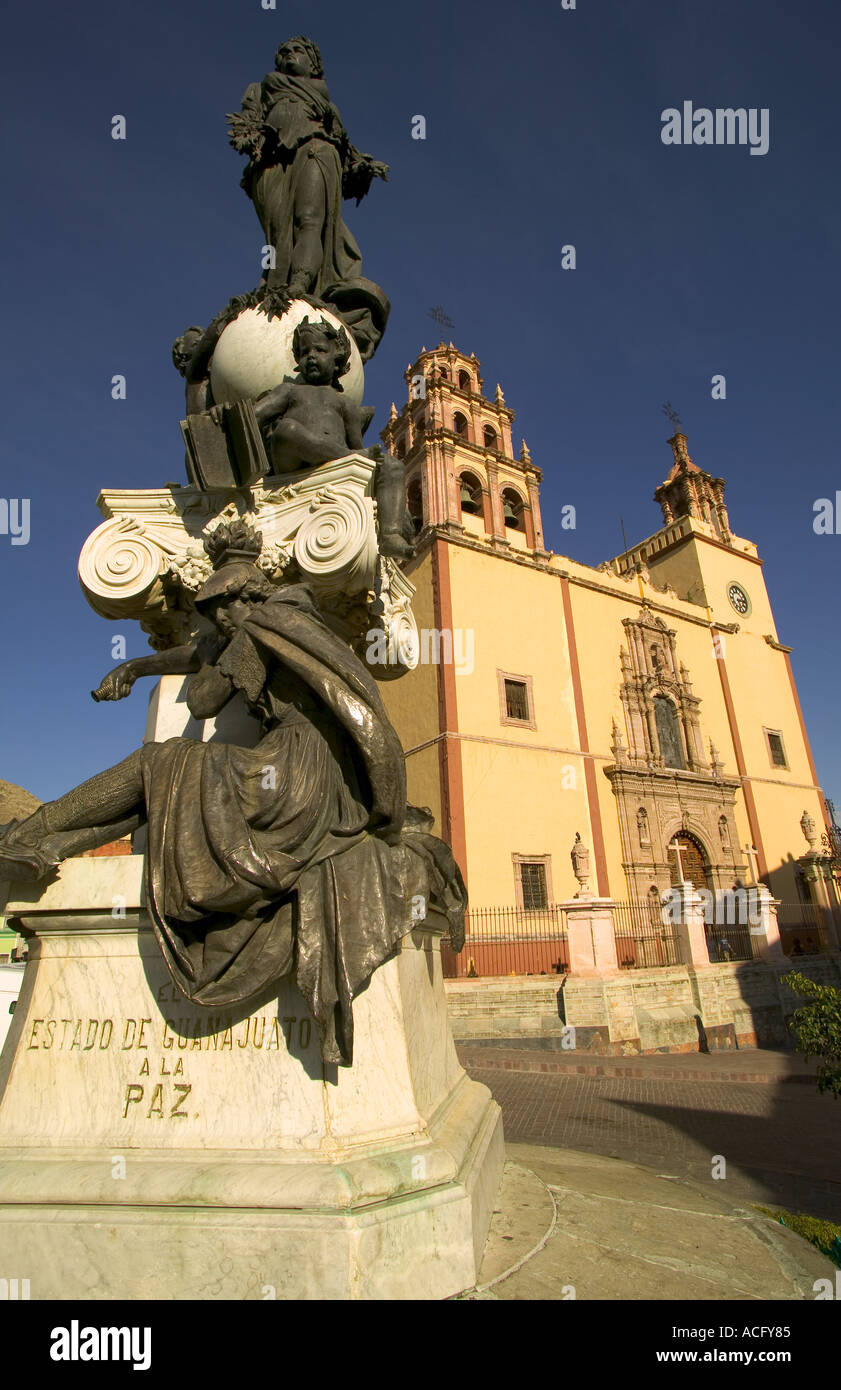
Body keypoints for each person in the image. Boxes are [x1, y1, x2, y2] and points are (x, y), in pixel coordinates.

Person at [0, 526, 462, 1063]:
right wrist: (138, 665)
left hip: (292, 777)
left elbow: (202, 698)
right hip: (314, 774)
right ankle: (43, 842)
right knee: (162, 780)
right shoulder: (290, 622)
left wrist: (220, 651)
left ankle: (35, 834)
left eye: (220, 610)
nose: (215, 622)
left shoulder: (262, 628)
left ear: (246, 598)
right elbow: (198, 654)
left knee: (160, 764)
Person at [228, 35, 389, 361]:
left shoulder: (325, 103)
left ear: (313, 62)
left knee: (311, 219)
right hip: (274, 162)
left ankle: (299, 286)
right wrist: (252, 138)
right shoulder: (262, 90)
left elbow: (343, 145)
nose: (289, 55)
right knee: (278, 232)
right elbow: (246, 125)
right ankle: (276, 283)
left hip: (318, 151)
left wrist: (361, 164)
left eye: (297, 51)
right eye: (283, 51)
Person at [253, 315, 413, 558]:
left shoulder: (345, 403)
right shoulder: (289, 391)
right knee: (287, 430)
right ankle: (343, 455)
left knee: (393, 465)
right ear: (297, 360)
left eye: (319, 350)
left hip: (333, 461)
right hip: (291, 462)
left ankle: (391, 534)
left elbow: (359, 453)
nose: (311, 356)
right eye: (305, 352)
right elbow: (254, 416)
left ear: (336, 358)